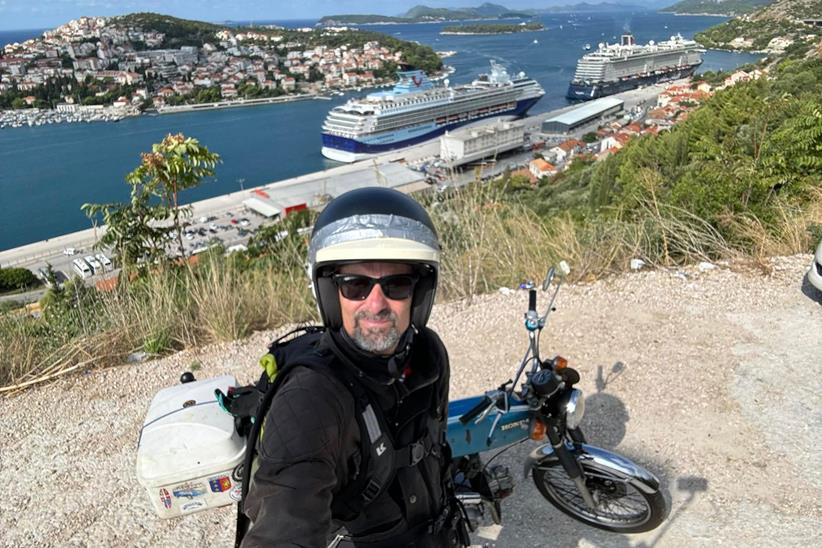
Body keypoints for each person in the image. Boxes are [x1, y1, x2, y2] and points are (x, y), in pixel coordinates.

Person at [240, 187, 467, 548]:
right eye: (356, 285)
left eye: (397, 284)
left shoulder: (428, 355)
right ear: (331, 295)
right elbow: (285, 521)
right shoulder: (310, 398)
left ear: (418, 294)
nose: (376, 304)